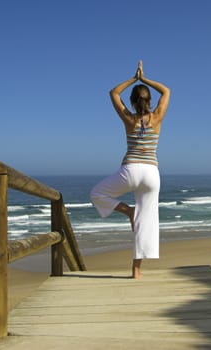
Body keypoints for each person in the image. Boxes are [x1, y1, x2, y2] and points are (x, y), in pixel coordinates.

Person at [90, 61, 170, 279]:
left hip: (131, 170)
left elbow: (113, 92)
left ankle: (128, 211)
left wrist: (133, 79)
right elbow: (166, 90)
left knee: (97, 193)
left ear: (133, 102)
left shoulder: (129, 118)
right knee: (146, 223)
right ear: (149, 100)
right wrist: (145, 79)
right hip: (152, 174)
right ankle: (136, 270)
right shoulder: (157, 118)